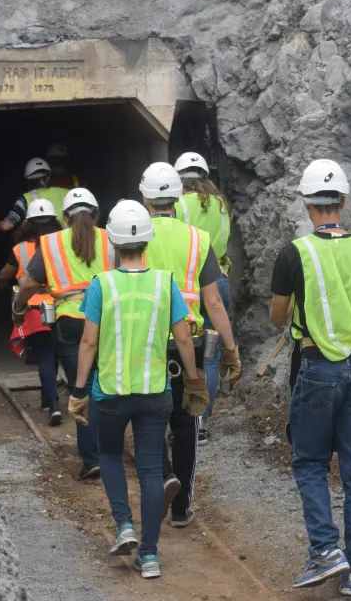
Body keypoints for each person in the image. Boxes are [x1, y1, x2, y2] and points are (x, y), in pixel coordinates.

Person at [269, 159, 351, 596]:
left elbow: (276, 315)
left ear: (308, 205)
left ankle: (326, 550)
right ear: (343, 201)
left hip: (317, 368)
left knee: (309, 463)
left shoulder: (294, 253)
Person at [67, 200, 209, 580]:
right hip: (154, 394)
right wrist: (193, 380)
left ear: (111, 242)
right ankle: (149, 555)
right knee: (149, 470)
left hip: (110, 394)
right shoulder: (165, 283)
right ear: (146, 242)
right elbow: (183, 337)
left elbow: (87, 344)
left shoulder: (102, 285)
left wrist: (78, 390)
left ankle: (124, 526)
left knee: (110, 454)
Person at [138, 162, 241, 527]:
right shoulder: (198, 240)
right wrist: (229, 347)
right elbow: (214, 303)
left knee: (147, 417)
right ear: (178, 198)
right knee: (186, 421)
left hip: (145, 342)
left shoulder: (136, 236)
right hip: (189, 344)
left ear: (145, 198)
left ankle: (164, 474)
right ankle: (181, 508)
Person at [14, 188, 114, 479]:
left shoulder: (51, 244)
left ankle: (91, 459)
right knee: (107, 386)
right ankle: (110, 449)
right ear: (96, 214)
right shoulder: (109, 238)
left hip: (70, 322)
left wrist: (18, 306)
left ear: (65, 218)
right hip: (106, 319)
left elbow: (30, 284)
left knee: (80, 388)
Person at [172, 151, 234, 444]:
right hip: (218, 280)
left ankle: (181, 418)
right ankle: (202, 425)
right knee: (209, 357)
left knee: (181, 349)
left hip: (188, 285)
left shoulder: (179, 204)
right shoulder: (222, 204)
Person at [0, 199, 64, 424]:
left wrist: (1, 285)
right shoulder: (61, 244)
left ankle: (52, 404)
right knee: (55, 354)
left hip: (33, 308)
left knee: (45, 355)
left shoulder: (19, 248)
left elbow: (5, 275)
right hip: (61, 306)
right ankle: (50, 399)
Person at [0, 158, 67, 234]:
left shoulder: (25, 199)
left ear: (27, 181)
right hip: (62, 243)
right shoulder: (63, 192)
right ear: (48, 178)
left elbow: (5, 226)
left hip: (39, 244)